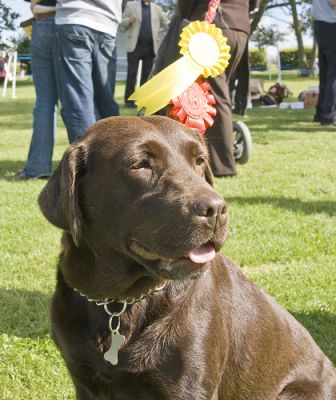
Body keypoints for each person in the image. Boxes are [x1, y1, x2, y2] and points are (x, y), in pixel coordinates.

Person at [55, 0, 122, 143]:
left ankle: (87, 163)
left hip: (76, 16)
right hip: (108, 23)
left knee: (79, 100)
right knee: (106, 102)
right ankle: (115, 157)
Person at [17, 0, 58, 180]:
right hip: (75, 23)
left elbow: (34, 2)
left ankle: (38, 166)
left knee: (45, 101)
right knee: (81, 100)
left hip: (44, 22)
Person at [121, 0, 169, 108]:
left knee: (146, 76)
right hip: (135, 47)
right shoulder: (131, 5)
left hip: (150, 48)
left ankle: (142, 100)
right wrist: (129, 20)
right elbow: (122, 24)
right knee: (131, 74)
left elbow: (167, 24)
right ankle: (129, 101)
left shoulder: (158, 9)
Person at [312, 0, 336, 125]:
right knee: (333, 74)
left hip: (320, 25)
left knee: (326, 73)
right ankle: (328, 115)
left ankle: (321, 112)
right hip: (332, 25)